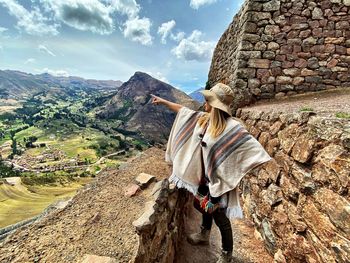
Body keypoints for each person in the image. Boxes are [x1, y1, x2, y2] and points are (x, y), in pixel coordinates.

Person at [151, 83, 271, 263]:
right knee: (204, 208)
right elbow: (184, 111)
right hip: (205, 179)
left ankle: (226, 255)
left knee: (221, 219)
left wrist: (233, 171)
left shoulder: (233, 128)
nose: (204, 102)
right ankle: (204, 234)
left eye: (208, 100)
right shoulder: (205, 120)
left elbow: (254, 151)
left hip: (220, 183)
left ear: (215, 104)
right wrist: (163, 102)